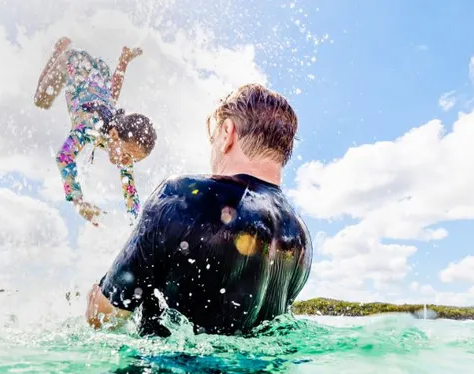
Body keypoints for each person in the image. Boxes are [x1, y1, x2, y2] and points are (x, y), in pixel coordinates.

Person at [84, 83, 312, 336]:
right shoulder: (300, 235)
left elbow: (103, 317)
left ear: (228, 133)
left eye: (213, 138)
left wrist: (94, 293)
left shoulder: (181, 196)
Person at [34, 37, 157, 225]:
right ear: (114, 136)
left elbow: (130, 190)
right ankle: (58, 50)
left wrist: (137, 222)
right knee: (41, 100)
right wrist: (78, 200)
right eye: (127, 157)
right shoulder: (88, 127)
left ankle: (123, 60)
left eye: (131, 161)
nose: (126, 164)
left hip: (97, 82)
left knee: (110, 101)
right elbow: (64, 156)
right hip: (72, 63)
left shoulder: (121, 142)